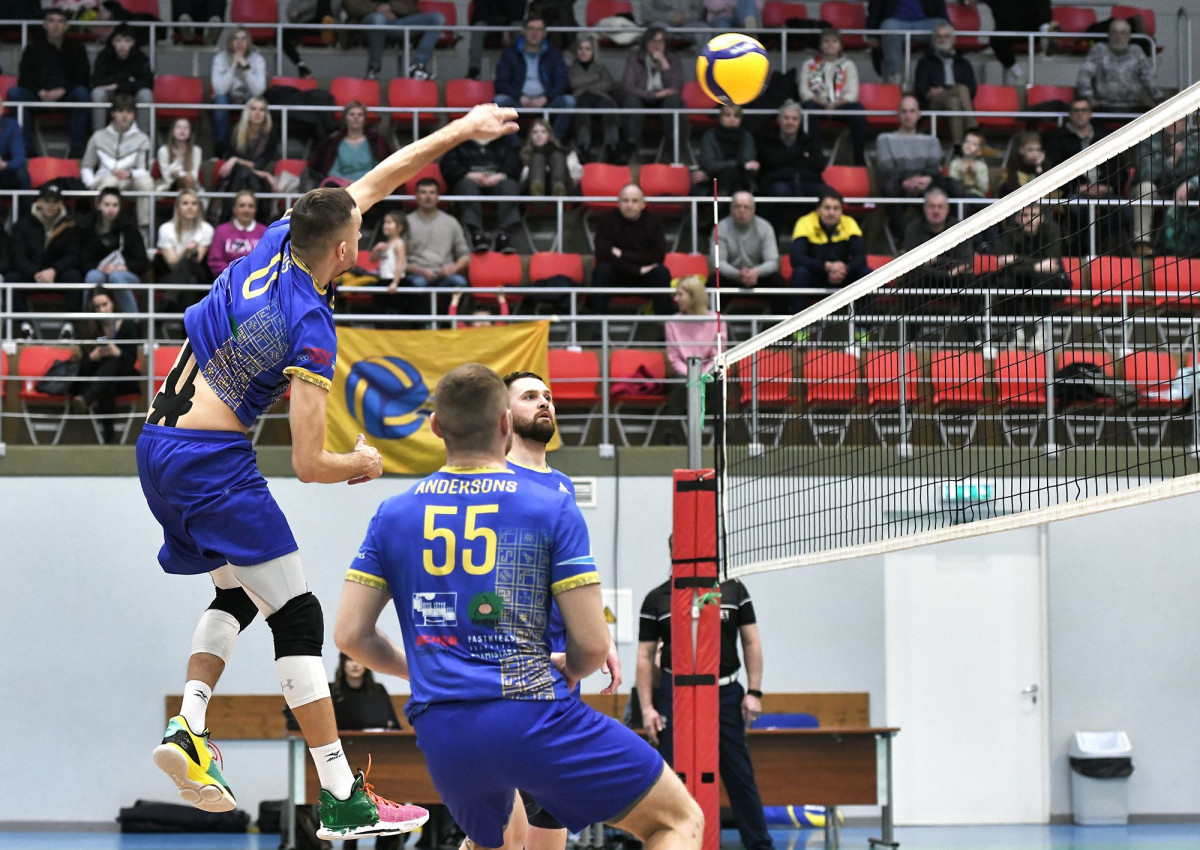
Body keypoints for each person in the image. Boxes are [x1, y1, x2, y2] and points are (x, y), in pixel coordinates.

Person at [140, 103, 517, 841]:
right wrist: (363, 462)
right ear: (344, 249)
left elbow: (378, 179)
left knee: (237, 593)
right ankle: (341, 794)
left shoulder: (278, 239)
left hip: (156, 443)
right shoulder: (310, 323)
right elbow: (308, 464)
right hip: (210, 462)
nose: (365, 232)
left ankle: (189, 725)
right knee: (299, 615)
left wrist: (462, 130)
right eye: (360, 233)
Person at [333, 362, 704, 850]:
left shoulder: (393, 513)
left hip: (443, 729)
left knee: (496, 844)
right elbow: (592, 646)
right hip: (531, 709)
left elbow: (350, 635)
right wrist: (574, 666)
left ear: (436, 427)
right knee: (677, 821)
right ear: (505, 424)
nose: (543, 403)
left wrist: (419, 670)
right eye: (529, 397)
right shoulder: (549, 504)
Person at [502, 368, 623, 850]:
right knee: (500, 832)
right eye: (530, 396)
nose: (544, 402)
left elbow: (573, 575)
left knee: (550, 819)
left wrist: (600, 638)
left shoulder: (563, 485)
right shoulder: (490, 479)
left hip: (560, 670)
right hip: (509, 667)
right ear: (504, 414)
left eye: (548, 396)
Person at [637, 557, 770, 850]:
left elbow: (751, 641)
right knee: (671, 776)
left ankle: (760, 845)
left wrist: (754, 692)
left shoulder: (733, 589)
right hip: (676, 696)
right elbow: (645, 657)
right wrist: (647, 708)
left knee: (739, 775)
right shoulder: (657, 598)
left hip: (725, 694)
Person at [7, 7, 92, 157]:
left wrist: (63, 90)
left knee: (82, 93)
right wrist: (39, 91)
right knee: (15, 94)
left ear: (66, 26)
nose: (55, 25)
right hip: (38, 97)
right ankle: (27, 148)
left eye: (60, 21)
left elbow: (83, 77)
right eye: (51, 21)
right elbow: (24, 78)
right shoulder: (33, 47)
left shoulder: (77, 48)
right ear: (45, 25)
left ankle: (77, 148)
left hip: (66, 97)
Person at [9, 183, 82, 336]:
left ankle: (69, 327)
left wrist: (55, 270)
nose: (50, 206)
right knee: (10, 280)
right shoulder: (22, 225)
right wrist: (34, 272)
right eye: (47, 201)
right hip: (31, 274)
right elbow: (17, 256)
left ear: (61, 204)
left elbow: (73, 255)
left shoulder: (70, 225)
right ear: (39, 202)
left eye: (55, 202)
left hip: (56, 274)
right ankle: (24, 326)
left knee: (75, 278)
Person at [71, 285, 142, 443]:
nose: (102, 310)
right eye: (97, 307)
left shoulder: (128, 326)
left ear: (113, 303)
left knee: (113, 363)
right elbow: (85, 368)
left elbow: (131, 360)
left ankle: (85, 398)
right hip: (101, 378)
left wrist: (118, 352)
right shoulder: (89, 329)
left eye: (105, 304)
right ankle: (109, 438)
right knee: (108, 379)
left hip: (126, 378)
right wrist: (92, 357)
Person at [591, 183, 673, 315]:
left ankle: (663, 324)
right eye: (625, 201)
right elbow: (603, 254)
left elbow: (657, 256)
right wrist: (637, 269)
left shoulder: (654, 221)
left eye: (634, 201)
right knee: (602, 270)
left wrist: (622, 254)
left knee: (661, 273)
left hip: (644, 277)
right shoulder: (607, 220)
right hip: (617, 275)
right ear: (618, 203)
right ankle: (598, 324)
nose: (629, 205)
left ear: (643, 204)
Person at [876, 95, 949, 242]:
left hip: (925, 182)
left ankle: (944, 239)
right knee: (888, 187)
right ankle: (904, 240)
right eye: (904, 111)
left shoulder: (931, 140)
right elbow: (887, 167)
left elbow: (934, 167)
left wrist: (927, 179)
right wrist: (904, 182)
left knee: (948, 185)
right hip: (899, 183)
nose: (908, 115)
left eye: (912, 111)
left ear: (919, 114)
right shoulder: (885, 139)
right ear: (898, 114)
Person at [991, 200, 1065, 345]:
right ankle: (1017, 330)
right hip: (1020, 281)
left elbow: (1052, 264)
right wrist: (1036, 266)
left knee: (1041, 278)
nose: (1029, 219)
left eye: (1034, 215)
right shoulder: (1010, 232)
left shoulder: (1052, 229)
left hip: (1051, 281)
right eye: (1025, 215)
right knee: (1005, 283)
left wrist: (1017, 259)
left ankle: (1042, 330)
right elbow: (1006, 266)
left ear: (1041, 218)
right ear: (1017, 218)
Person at [494, 15, 576, 143]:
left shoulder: (554, 53)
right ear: (524, 31)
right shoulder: (510, 53)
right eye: (531, 29)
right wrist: (519, 97)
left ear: (545, 33)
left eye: (539, 29)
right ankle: (516, 147)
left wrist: (546, 97)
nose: (534, 33)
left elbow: (562, 82)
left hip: (546, 101)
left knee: (569, 102)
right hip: (519, 100)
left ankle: (552, 142)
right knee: (499, 101)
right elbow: (501, 82)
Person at [441, 131, 523, 254]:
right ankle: (476, 234)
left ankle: (504, 235)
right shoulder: (459, 141)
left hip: (497, 182)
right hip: (470, 182)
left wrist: (501, 175)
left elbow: (516, 164)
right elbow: (448, 165)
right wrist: (468, 175)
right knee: (466, 186)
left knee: (510, 185)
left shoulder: (506, 140)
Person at [81, 94, 155, 230]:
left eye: (129, 112)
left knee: (146, 183)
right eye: (120, 111)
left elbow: (143, 170)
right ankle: (103, 228)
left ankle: (144, 230)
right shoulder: (98, 136)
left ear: (134, 114)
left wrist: (130, 174)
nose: (125, 116)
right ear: (113, 113)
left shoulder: (142, 138)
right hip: (105, 179)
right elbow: (86, 166)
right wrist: (91, 183)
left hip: (129, 181)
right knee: (109, 183)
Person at [788, 189, 867, 313]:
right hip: (816, 275)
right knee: (800, 273)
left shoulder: (849, 222)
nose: (831, 212)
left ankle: (865, 324)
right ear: (818, 209)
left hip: (843, 275)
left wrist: (845, 269)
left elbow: (861, 256)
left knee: (866, 273)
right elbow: (796, 258)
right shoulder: (804, 222)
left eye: (836, 208)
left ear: (841, 210)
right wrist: (826, 266)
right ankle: (799, 323)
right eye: (827, 208)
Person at [1130, 117, 1200, 254]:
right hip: (1157, 192)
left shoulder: (1195, 141)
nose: (1173, 123)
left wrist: (1191, 183)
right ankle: (1142, 243)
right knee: (1146, 188)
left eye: (1178, 119)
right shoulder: (1148, 141)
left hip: (1188, 193)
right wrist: (1172, 159)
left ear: (1185, 120)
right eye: (1169, 119)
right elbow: (1146, 173)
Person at [619, 27, 684, 165]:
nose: (657, 45)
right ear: (646, 43)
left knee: (675, 101)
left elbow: (676, 87)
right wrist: (653, 95)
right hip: (642, 97)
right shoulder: (635, 57)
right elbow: (627, 86)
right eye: (653, 41)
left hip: (665, 99)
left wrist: (664, 64)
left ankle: (672, 148)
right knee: (631, 101)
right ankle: (631, 149)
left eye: (661, 42)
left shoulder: (673, 58)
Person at [800, 28, 866, 166]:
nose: (830, 45)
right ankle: (814, 157)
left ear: (840, 45)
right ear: (820, 45)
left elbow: (852, 93)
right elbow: (804, 92)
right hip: (818, 104)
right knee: (808, 108)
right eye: (826, 41)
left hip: (841, 105)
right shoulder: (809, 64)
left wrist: (835, 104)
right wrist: (823, 104)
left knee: (858, 110)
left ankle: (859, 159)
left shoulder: (848, 65)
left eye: (834, 41)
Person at [80, 186, 149, 314]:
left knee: (116, 277)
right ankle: (88, 320)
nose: (111, 209)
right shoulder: (88, 229)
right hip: (98, 272)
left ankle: (132, 321)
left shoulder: (130, 230)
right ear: (98, 205)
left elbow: (142, 263)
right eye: (107, 205)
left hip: (126, 275)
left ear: (120, 207)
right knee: (93, 276)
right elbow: (83, 261)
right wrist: (99, 267)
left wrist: (124, 268)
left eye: (115, 205)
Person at [212, 96, 279, 222]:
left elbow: (260, 163)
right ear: (247, 111)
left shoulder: (271, 135)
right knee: (242, 173)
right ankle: (258, 221)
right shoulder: (234, 131)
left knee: (245, 173)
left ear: (266, 114)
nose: (258, 113)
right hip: (236, 176)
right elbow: (233, 161)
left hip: (260, 179)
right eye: (253, 109)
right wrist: (261, 173)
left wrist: (236, 160)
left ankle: (227, 218)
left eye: (262, 110)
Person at [343, 0, 445, 81]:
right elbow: (352, 6)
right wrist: (377, 8)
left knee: (437, 18)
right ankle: (373, 68)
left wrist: (390, 8)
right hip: (367, 22)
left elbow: (412, 8)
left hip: (396, 21)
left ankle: (418, 66)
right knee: (378, 19)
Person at [1076, 17, 1162, 113]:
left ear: (1129, 36)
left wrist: (1160, 99)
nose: (1118, 36)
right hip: (1103, 106)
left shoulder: (1136, 51)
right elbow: (1084, 74)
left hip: (1133, 106)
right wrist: (1088, 97)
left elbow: (1149, 78)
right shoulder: (1099, 50)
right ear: (1109, 35)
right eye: (1115, 32)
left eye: (1123, 33)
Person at [715, 191, 785, 308]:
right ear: (731, 209)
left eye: (746, 207)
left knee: (777, 281)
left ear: (753, 209)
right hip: (732, 276)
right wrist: (737, 274)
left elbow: (773, 262)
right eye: (737, 206)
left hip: (758, 276)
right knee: (714, 281)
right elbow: (718, 263)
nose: (742, 210)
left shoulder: (765, 227)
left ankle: (782, 319)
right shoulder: (720, 228)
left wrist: (756, 272)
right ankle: (712, 319)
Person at [912, 21, 976, 146]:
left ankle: (957, 147)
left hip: (955, 100)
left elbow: (972, 89)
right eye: (939, 36)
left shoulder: (963, 63)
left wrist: (944, 88)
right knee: (961, 88)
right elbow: (921, 89)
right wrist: (938, 91)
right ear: (933, 40)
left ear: (952, 40)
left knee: (953, 102)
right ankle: (973, 129)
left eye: (946, 36)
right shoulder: (925, 62)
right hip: (934, 102)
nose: (943, 40)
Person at [404, 177, 471, 290]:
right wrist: (419, 270)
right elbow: (397, 259)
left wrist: (453, 269)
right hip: (417, 275)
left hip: (445, 274)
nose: (428, 196)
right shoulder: (405, 222)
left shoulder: (451, 222)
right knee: (418, 284)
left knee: (460, 282)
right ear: (416, 196)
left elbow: (464, 255)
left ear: (437, 197)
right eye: (423, 192)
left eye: (432, 192)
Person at [308, 100, 395, 187]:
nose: (356, 117)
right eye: (352, 114)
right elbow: (333, 170)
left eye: (360, 115)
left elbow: (379, 168)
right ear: (345, 118)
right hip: (343, 186)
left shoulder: (375, 141)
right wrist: (349, 183)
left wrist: (364, 182)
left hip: (370, 184)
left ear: (365, 119)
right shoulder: (335, 143)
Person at [210, 27, 268, 155]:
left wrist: (246, 69)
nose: (239, 43)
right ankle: (220, 147)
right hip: (227, 98)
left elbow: (258, 91)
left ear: (249, 42)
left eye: (243, 39)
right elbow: (219, 90)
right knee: (220, 101)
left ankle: (249, 147)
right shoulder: (220, 59)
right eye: (235, 39)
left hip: (248, 98)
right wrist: (233, 67)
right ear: (230, 42)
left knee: (256, 102)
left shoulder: (258, 59)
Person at [865, 0, 949, 85]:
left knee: (942, 26)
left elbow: (940, 8)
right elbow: (875, 8)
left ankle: (943, 77)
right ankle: (894, 76)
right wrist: (872, 35)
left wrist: (948, 27)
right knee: (888, 27)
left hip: (924, 24)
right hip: (896, 24)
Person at [89, 22, 153, 132]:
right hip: (111, 94)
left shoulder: (140, 56)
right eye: (118, 40)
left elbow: (148, 82)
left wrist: (118, 85)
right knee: (97, 93)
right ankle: (98, 135)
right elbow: (97, 81)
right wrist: (128, 79)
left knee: (146, 94)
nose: (122, 45)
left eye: (127, 41)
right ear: (112, 42)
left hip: (132, 94)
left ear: (133, 42)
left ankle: (144, 136)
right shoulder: (104, 56)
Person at [568, 35, 621, 164]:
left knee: (608, 106)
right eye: (580, 48)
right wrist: (595, 79)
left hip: (600, 97)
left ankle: (612, 146)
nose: (583, 52)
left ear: (593, 51)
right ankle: (584, 146)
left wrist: (584, 86)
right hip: (581, 99)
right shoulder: (571, 68)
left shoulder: (601, 68)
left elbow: (608, 84)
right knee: (582, 107)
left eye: (587, 49)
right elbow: (572, 83)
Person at [155, 188, 214, 296]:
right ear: (177, 208)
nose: (190, 207)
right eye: (185, 203)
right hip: (172, 274)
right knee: (190, 280)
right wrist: (186, 251)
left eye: (194, 204)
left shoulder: (207, 229)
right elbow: (172, 264)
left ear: (198, 208)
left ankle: (168, 302)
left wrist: (191, 252)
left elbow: (197, 261)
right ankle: (172, 302)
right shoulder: (165, 229)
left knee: (190, 266)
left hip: (198, 273)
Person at [979, 0, 1053, 86]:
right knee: (995, 40)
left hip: (1034, 29)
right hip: (1008, 31)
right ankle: (1018, 73)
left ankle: (1046, 35)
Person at [694, 103, 759, 199]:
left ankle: (719, 206)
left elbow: (748, 163)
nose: (732, 119)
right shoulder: (710, 136)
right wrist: (739, 166)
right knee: (727, 175)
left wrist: (739, 166)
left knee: (730, 176)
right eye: (727, 115)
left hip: (740, 180)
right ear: (720, 118)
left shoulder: (747, 136)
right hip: (712, 181)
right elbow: (708, 164)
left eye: (736, 116)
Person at [208, 190, 268, 278]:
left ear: (255, 210)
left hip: (258, 280)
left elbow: (269, 259)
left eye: (250, 206)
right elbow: (215, 261)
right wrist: (235, 273)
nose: (246, 210)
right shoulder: (221, 231)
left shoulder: (265, 231)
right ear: (234, 209)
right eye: (242, 205)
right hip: (228, 280)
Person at [466, 0, 526, 81]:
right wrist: (502, 29)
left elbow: (518, 14)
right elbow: (479, 14)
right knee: (478, 28)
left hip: (510, 24)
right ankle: (474, 69)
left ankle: (520, 68)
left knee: (518, 28)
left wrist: (505, 28)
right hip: (488, 22)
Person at [520, 119, 581, 197]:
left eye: (543, 132)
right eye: (535, 132)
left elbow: (576, 175)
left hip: (564, 186)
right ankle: (537, 190)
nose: (539, 135)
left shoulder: (563, 151)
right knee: (537, 157)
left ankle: (558, 189)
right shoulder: (525, 153)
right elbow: (521, 179)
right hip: (531, 187)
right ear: (530, 136)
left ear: (549, 134)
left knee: (556, 155)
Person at [156, 117, 204, 193]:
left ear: (190, 133)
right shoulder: (163, 151)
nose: (182, 131)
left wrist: (177, 173)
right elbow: (167, 177)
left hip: (191, 184)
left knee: (188, 179)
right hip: (170, 186)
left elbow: (194, 176)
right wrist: (178, 161)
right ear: (172, 132)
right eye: (178, 127)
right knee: (187, 179)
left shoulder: (196, 150)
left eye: (186, 128)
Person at [998, 131, 1046, 197]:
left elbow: (1043, 186)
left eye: (1038, 150)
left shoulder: (1044, 163)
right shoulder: (1015, 162)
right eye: (1030, 150)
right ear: (1021, 150)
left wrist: (1038, 166)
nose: (1035, 154)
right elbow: (1012, 185)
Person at [947, 128, 988, 199]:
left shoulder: (981, 166)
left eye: (974, 144)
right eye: (967, 142)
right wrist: (960, 173)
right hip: (959, 195)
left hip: (976, 196)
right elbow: (951, 186)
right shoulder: (955, 164)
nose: (969, 145)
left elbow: (984, 189)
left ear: (980, 151)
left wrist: (976, 174)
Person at [0, 112, 31, 196]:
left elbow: (20, 159)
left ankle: (26, 205)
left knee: (22, 174)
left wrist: (4, 164)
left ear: (2, 109)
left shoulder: (11, 125)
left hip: (4, 173)